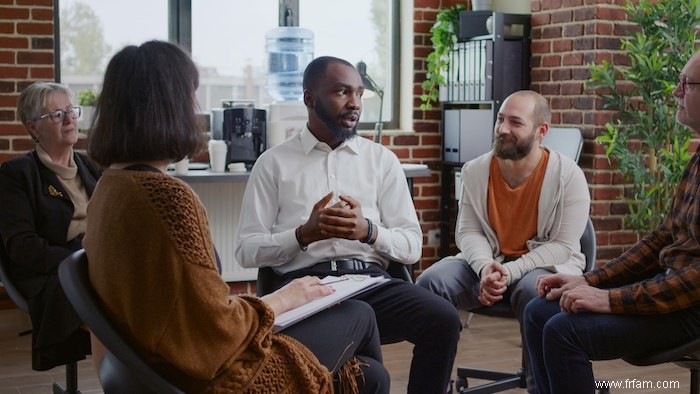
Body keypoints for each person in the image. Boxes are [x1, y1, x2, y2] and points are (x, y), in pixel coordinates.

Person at [83, 41, 388, 394]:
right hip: (211, 378)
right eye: (190, 97)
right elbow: (217, 331)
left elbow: (192, 307)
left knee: (370, 378)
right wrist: (282, 299)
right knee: (360, 314)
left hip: (154, 368)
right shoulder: (166, 198)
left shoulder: (109, 188)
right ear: (170, 108)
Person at [235, 55, 462, 394]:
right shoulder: (273, 164)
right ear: (310, 98)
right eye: (342, 92)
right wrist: (302, 235)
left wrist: (368, 231)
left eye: (359, 93)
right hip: (306, 287)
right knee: (364, 349)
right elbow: (246, 250)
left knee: (444, 319)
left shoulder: (381, 161)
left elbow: (412, 245)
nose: (354, 103)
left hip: (370, 284)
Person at [523, 52, 700, 394]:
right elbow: (662, 239)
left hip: (691, 308)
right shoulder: (696, 160)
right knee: (538, 311)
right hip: (671, 290)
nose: (675, 92)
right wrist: (588, 280)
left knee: (564, 331)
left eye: (686, 84)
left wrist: (610, 299)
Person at [415, 90, 591, 391]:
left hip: (544, 267)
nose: (503, 129)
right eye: (500, 120)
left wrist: (509, 271)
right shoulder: (475, 171)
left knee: (533, 290)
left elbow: (562, 245)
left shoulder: (567, 176)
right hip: (488, 265)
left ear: (541, 131)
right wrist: (486, 267)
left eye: (515, 122)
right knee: (431, 283)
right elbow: (468, 232)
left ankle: (540, 387)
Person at [0, 81, 100, 371]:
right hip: (51, 270)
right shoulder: (17, 174)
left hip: (97, 260)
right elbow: (22, 246)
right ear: (33, 128)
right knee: (121, 317)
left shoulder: (90, 166)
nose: (69, 119)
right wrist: (82, 261)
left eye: (70, 110)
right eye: (57, 115)